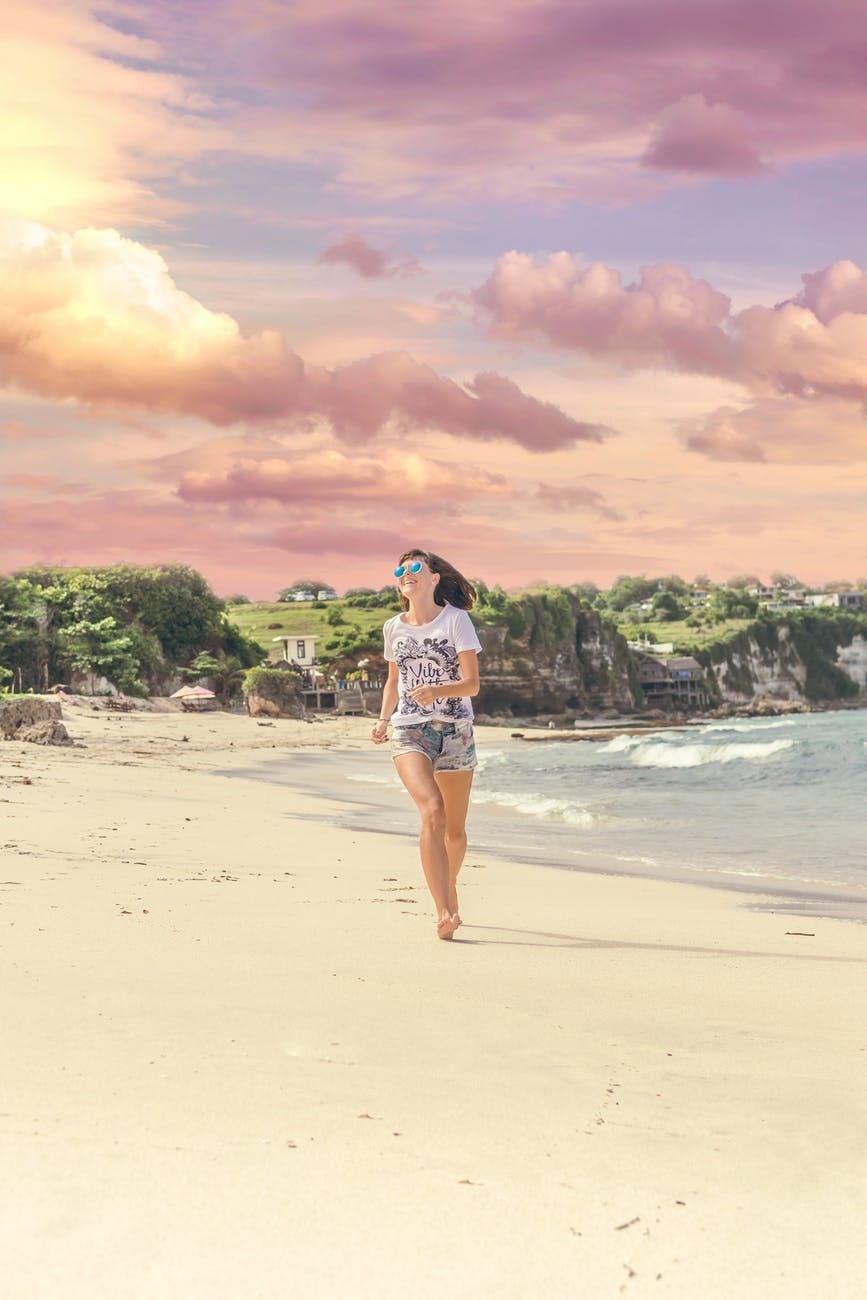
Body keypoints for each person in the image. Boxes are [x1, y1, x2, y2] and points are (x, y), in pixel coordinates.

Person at [370, 549, 482, 940]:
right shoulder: (393, 627)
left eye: (415, 566)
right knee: (432, 810)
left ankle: (448, 888)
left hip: (455, 730)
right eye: (400, 568)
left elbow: (472, 684)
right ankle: (443, 910)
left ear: (434, 578)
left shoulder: (457, 620)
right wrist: (384, 719)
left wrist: (436, 689)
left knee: (455, 831)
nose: (406, 573)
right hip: (409, 730)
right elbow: (392, 680)